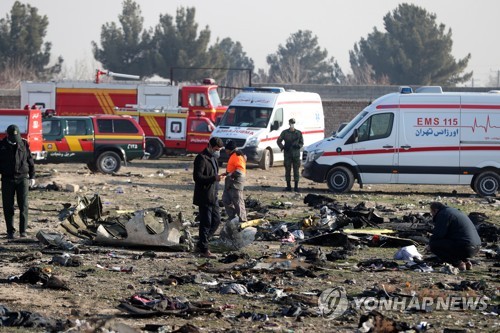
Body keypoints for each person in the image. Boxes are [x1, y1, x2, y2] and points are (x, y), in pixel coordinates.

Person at [0, 124, 35, 239]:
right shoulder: (1, 146)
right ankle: (10, 231)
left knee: (24, 205)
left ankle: (23, 231)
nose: (15, 141)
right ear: (7, 135)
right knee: (8, 206)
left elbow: (30, 161)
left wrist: (32, 176)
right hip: (7, 179)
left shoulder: (24, 144)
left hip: (22, 178)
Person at [192, 136, 225, 258]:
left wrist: (219, 178)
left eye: (219, 149)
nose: (218, 151)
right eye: (216, 149)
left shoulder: (214, 159)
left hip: (214, 195)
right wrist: (213, 178)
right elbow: (197, 178)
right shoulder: (201, 158)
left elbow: (214, 175)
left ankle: (201, 243)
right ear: (209, 146)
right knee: (205, 223)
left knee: (216, 221)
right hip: (204, 195)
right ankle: (204, 249)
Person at [428, 202, 481, 271]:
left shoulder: (443, 214)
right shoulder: (454, 211)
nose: (432, 215)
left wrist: (430, 244)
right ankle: (466, 262)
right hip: (476, 247)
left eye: (432, 213)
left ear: (435, 210)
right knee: (451, 242)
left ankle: (458, 263)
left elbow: (438, 235)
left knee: (434, 245)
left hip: (466, 247)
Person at [221, 140, 247, 222]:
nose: (225, 151)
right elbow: (233, 168)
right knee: (226, 200)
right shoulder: (233, 155)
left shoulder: (237, 156)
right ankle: (232, 217)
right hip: (230, 181)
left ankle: (243, 220)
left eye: (226, 149)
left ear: (230, 149)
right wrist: (226, 173)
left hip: (236, 183)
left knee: (238, 202)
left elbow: (240, 170)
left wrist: (230, 175)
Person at [277, 118, 304, 192]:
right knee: (287, 170)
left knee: (296, 170)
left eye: (293, 123)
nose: (292, 124)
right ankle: (288, 186)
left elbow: (301, 142)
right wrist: (283, 147)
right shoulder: (285, 133)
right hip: (287, 154)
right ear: (289, 123)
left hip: (296, 154)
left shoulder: (298, 133)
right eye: (291, 123)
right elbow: (279, 141)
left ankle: (296, 187)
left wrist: (298, 146)